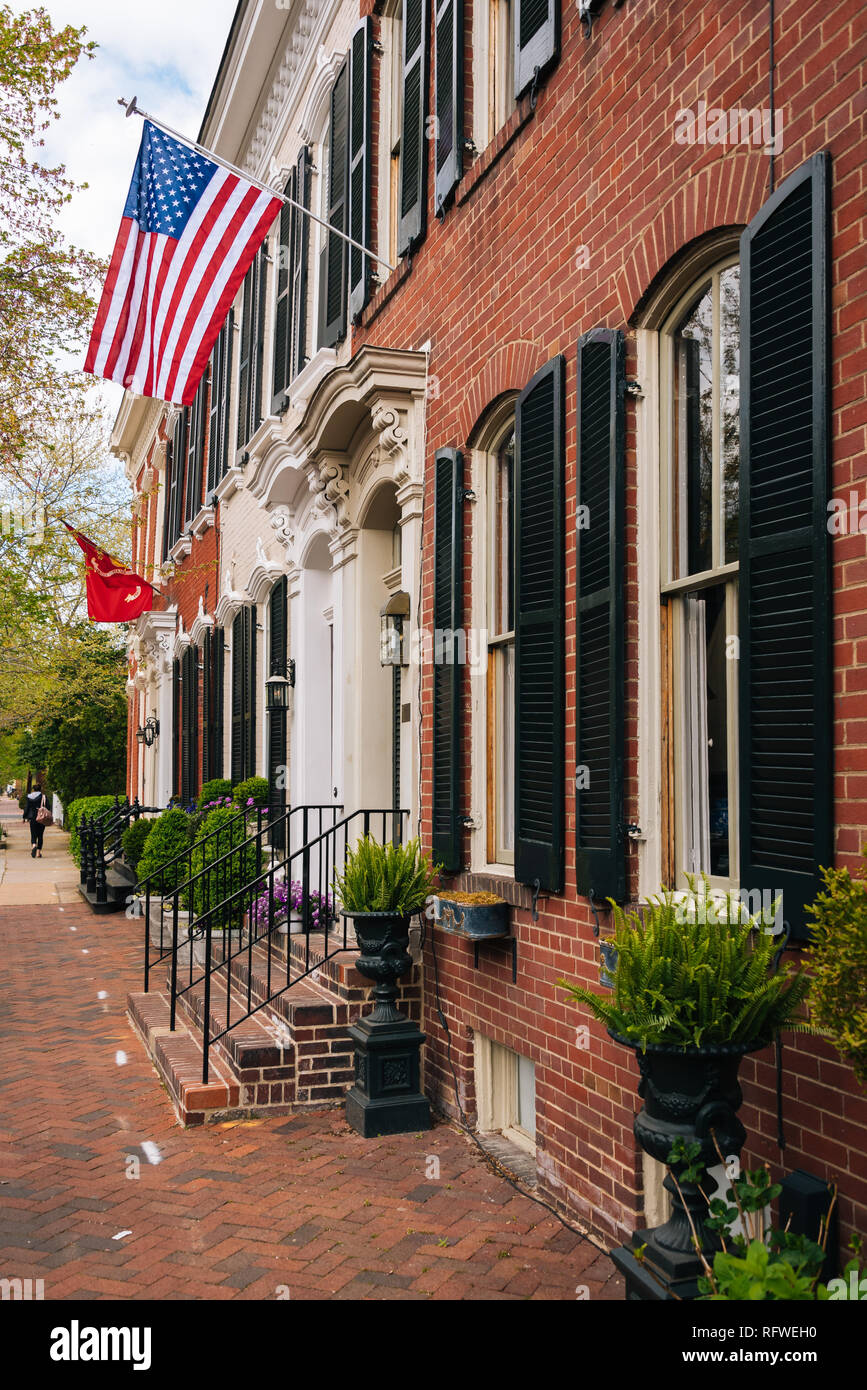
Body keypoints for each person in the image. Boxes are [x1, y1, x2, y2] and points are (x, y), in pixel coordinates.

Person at [23, 783, 49, 858]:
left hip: (33, 818)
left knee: (33, 834)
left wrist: (24, 817)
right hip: (41, 818)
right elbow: (48, 807)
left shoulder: (29, 797)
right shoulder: (44, 797)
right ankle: (38, 853)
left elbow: (27, 808)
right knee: (40, 835)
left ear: (33, 789)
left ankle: (34, 845)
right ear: (40, 789)